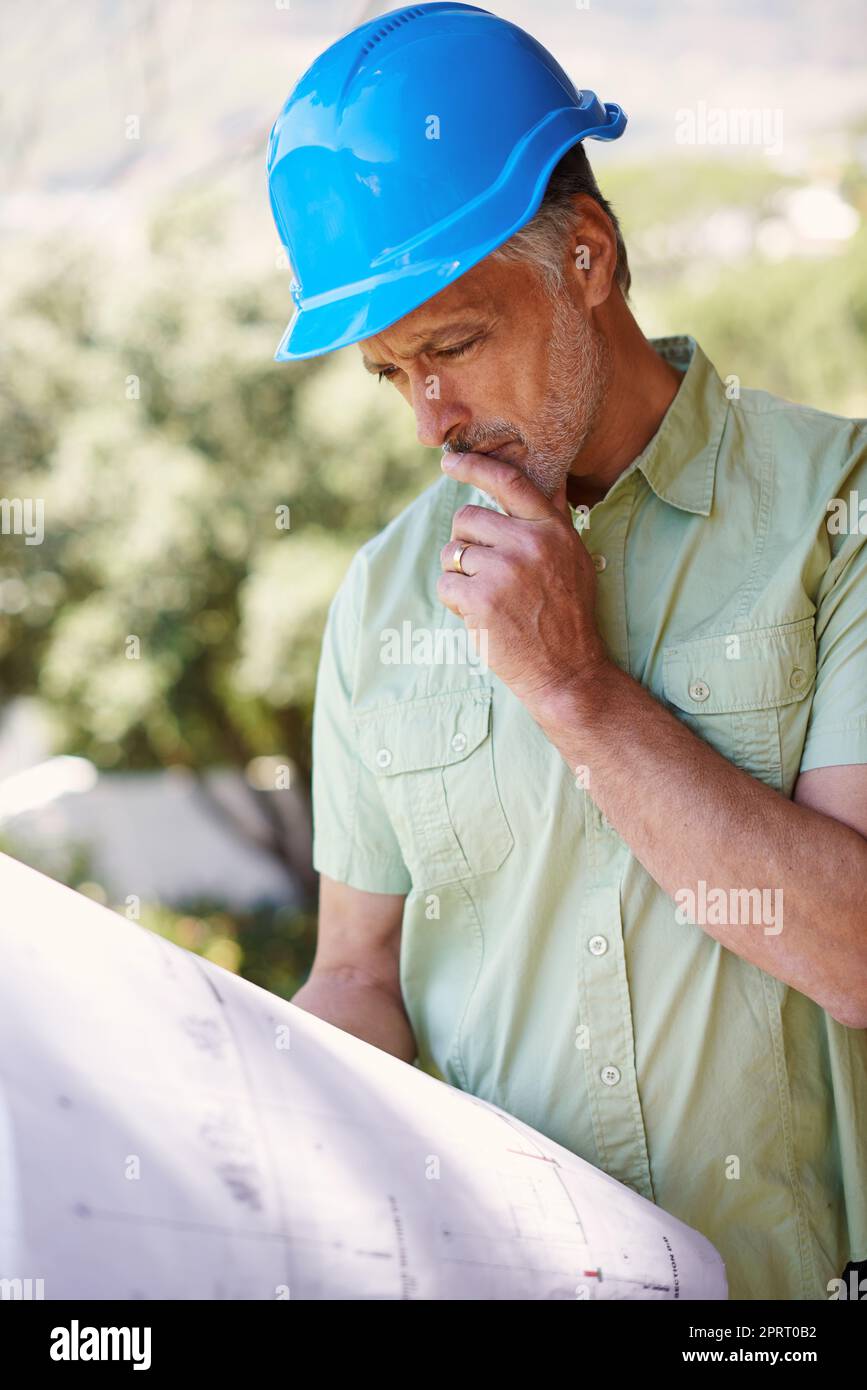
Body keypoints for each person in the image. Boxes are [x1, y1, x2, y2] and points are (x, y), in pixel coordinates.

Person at [267, 3, 867, 1300]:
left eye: (454, 344)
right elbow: (362, 975)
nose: (430, 417)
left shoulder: (843, 507)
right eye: (391, 372)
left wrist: (573, 688)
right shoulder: (380, 603)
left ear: (587, 255)